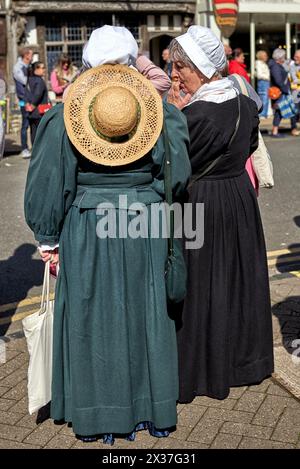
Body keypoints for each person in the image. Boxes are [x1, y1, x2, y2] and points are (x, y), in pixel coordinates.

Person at [24, 25, 191, 443]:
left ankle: (99, 417)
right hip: (146, 220)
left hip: (87, 225)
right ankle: (152, 413)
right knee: (148, 313)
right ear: (133, 60)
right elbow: (179, 176)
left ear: (88, 64)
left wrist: (48, 238)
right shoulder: (160, 111)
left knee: (92, 317)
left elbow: (48, 185)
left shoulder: (63, 117)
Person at [167, 25, 274, 402]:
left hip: (200, 203)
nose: (175, 74)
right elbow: (247, 146)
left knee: (200, 283)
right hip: (238, 199)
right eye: (173, 66)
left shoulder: (193, 115)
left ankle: (200, 370)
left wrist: (173, 117)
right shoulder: (245, 102)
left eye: (181, 66)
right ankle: (243, 362)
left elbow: (173, 167)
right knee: (237, 279)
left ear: (202, 66)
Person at [269, 48, 299, 137]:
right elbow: (278, 81)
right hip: (280, 92)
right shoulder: (275, 66)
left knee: (279, 111)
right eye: (284, 56)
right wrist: (285, 90)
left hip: (282, 91)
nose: (285, 58)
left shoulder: (278, 65)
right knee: (279, 111)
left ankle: (276, 131)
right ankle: (275, 131)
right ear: (280, 57)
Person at [13, 47, 33, 158]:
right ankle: (24, 148)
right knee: (25, 124)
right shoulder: (18, 68)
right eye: (30, 54)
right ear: (26, 55)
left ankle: (33, 146)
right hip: (23, 100)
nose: (32, 56)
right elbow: (25, 82)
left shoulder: (27, 67)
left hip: (30, 99)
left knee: (32, 124)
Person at [25, 62, 49, 145]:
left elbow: (26, 93)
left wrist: (27, 104)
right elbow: (38, 94)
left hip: (31, 112)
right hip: (39, 111)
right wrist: (32, 105)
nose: (44, 70)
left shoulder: (29, 80)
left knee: (33, 132)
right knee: (41, 133)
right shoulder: (39, 81)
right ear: (36, 69)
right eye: (42, 68)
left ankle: (34, 153)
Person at [255, 50, 270, 119]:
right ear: (261, 56)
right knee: (264, 98)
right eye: (265, 55)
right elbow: (259, 75)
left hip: (265, 82)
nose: (266, 57)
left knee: (265, 98)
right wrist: (267, 77)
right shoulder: (259, 63)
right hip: (263, 81)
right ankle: (262, 114)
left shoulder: (263, 63)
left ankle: (264, 113)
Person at [290, 49, 300, 122]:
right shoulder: (292, 65)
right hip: (295, 90)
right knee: (294, 106)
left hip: (297, 88)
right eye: (294, 56)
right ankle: (294, 125)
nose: (295, 58)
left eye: (297, 57)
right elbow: (294, 78)